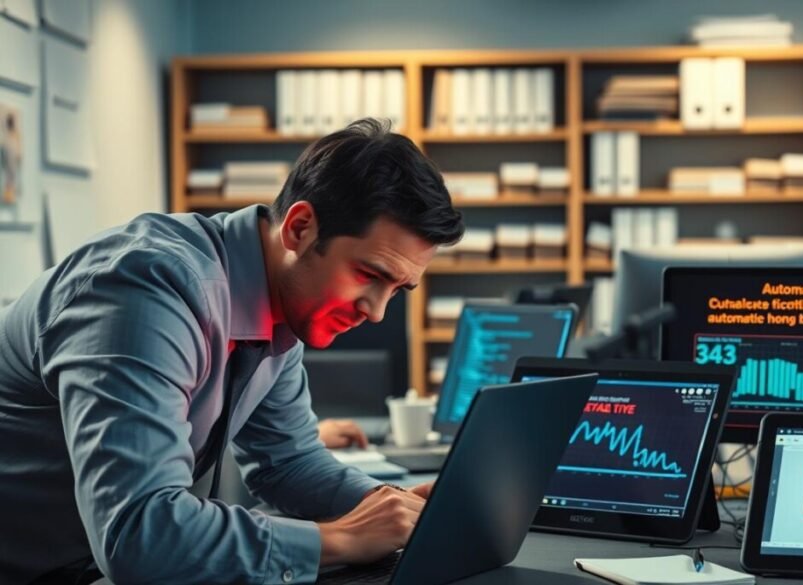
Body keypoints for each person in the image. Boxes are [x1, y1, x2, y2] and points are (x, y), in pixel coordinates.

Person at [0, 118, 464, 583]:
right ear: (300, 228)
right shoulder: (145, 292)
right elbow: (141, 534)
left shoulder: (278, 300)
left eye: (398, 289)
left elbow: (288, 463)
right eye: (369, 274)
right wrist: (343, 538)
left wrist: (391, 509)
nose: (378, 311)